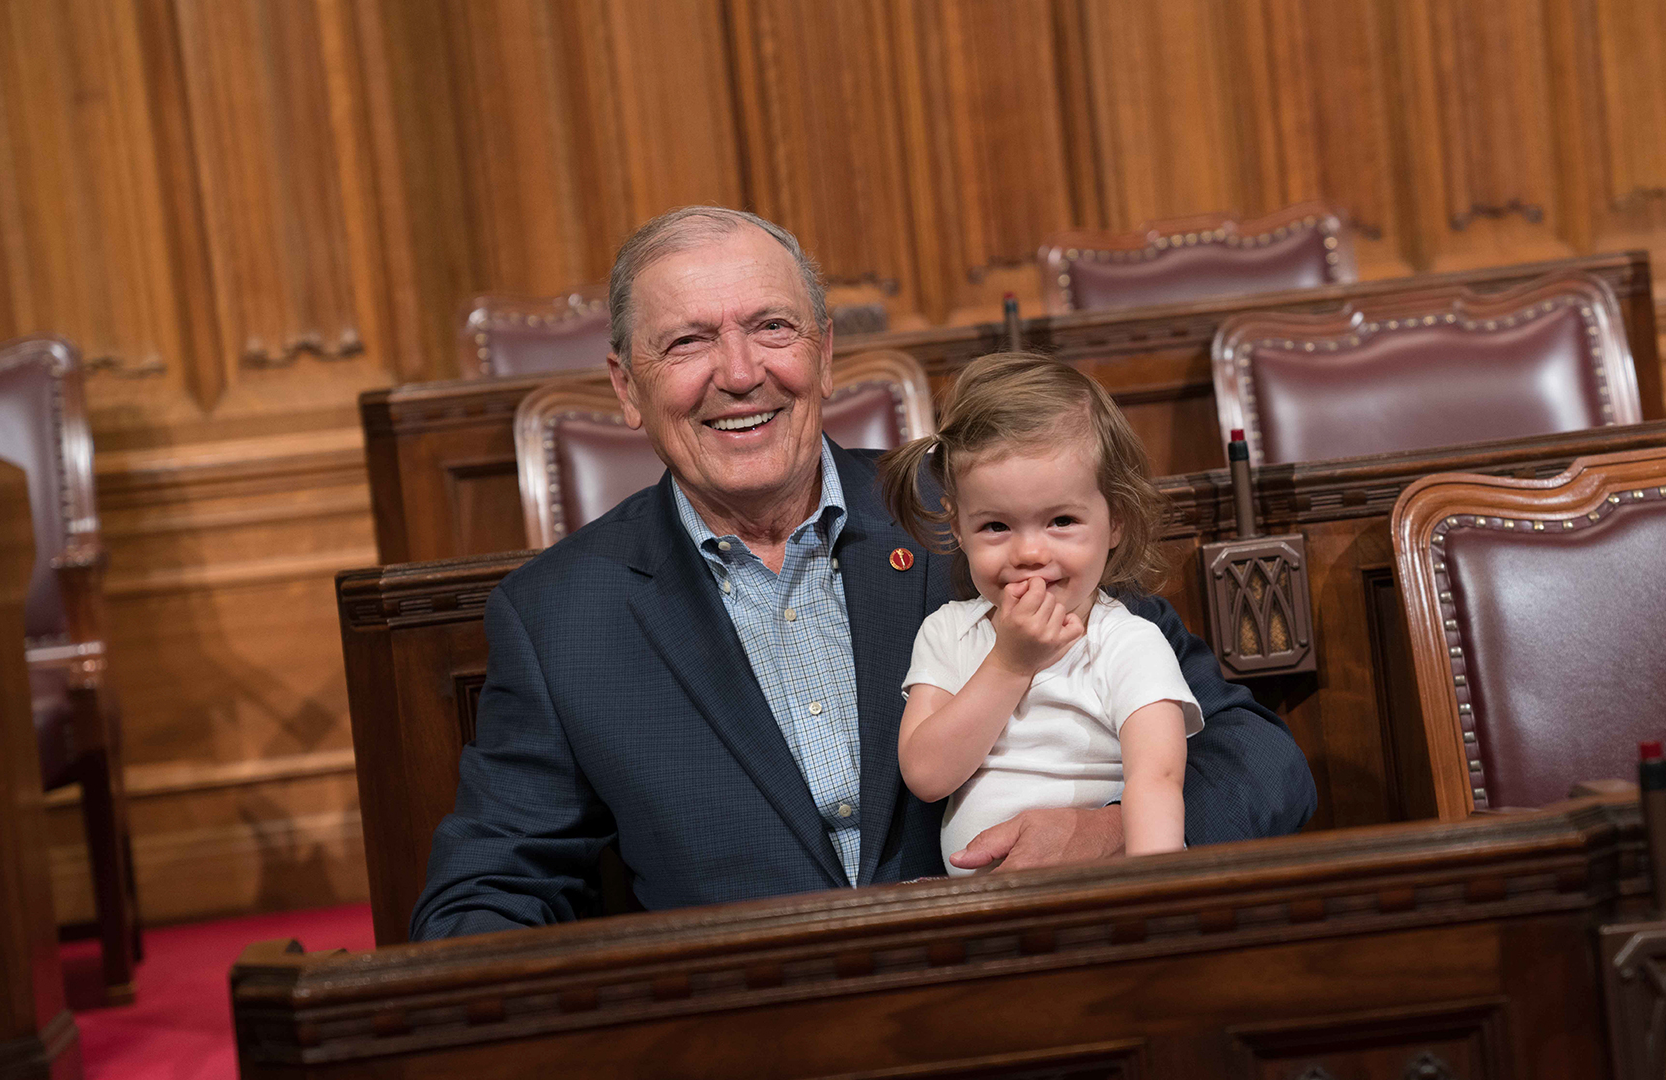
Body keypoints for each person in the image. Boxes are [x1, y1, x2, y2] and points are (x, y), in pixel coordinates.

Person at [409, 207, 1315, 941]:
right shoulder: (565, 614)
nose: (740, 373)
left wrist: (1109, 834)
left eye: (772, 328)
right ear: (623, 385)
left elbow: (1260, 761)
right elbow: (490, 890)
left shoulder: (981, 517)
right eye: (687, 343)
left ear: (826, 352)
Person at [881, 355, 1199, 874]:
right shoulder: (948, 632)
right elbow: (927, 773)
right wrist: (1010, 664)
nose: (1029, 552)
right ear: (958, 529)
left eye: (1061, 520)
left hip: (1097, 895)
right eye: (996, 527)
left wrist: (1154, 897)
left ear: (1114, 521)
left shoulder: (1127, 643)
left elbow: (1157, 780)